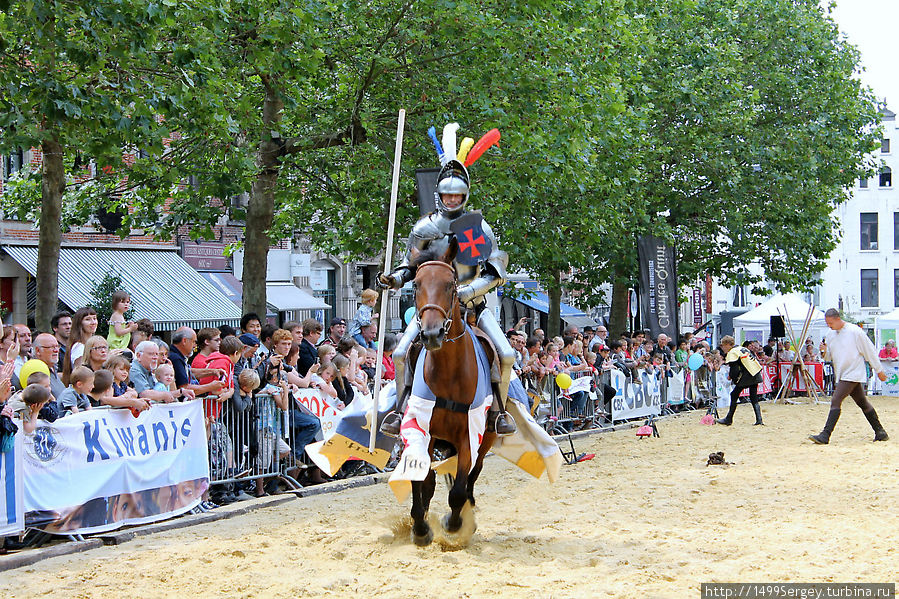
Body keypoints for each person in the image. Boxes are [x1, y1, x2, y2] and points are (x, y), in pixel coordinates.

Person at [377, 151, 516, 436]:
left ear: (465, 197)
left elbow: (495, 272)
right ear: (439, 195)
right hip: (433, 307)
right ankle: (400, 409)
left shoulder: (478, 228)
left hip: (472, 307)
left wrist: (469, 291)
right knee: (402, 352)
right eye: (447, 196)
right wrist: (393, 278)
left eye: (457, 196)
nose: (452, 201)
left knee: (506, 352)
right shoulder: (423, 228)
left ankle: (498, 412)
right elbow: (410, 266)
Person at [809, 309, 889, 444]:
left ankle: (825, 435)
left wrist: (878, 369)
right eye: (827, 323)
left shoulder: (855, 332)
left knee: (836, 399)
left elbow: (869, 350)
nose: (829, 325)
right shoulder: (830, 334)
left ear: (837, 319)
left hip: (853, 372)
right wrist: (823, 352)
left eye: (830, 323)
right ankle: (880, 431)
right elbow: (830, 356)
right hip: (843, 373)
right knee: (862, 403)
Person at [715, 336, 764, 426]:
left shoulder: (732, 352)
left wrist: (733, 378)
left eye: (724, 345)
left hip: (747, 375)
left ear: (728, 344)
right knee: (753, 397)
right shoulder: (741, 348)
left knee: (734, 395)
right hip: (755, 372)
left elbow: (734, 369)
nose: (723, 348)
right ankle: (759, 419)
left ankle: (728, 419)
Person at [63, 306, 99, 384]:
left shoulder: (93, 344)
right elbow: (80, 375)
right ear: (80, 323)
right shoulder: (79, 347)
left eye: (94, 318)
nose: (93, 322)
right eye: (88, 319)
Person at [31, 333, 66, 400]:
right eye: (51, 347)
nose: (56, 350)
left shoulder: (53, 368)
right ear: (38, 350)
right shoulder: (36, 373)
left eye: (57, 346)